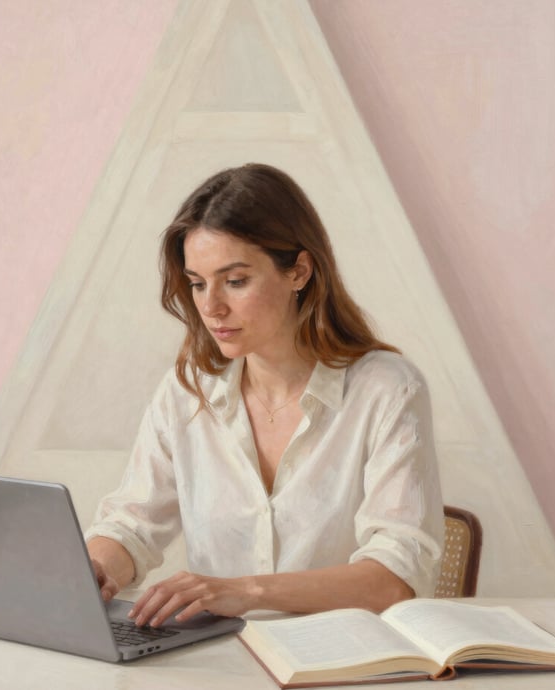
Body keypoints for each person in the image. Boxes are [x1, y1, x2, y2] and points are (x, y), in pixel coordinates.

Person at [84, 163, 444, 629]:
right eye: (197, 283)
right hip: (221, 664)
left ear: (299, 271)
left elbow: (394, 577)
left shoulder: (388, 389)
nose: (211, 307)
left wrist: (242, 591)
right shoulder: (188, 388)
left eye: (235, 281)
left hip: (341, 665)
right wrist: (96, 570)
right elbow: (131, 525)